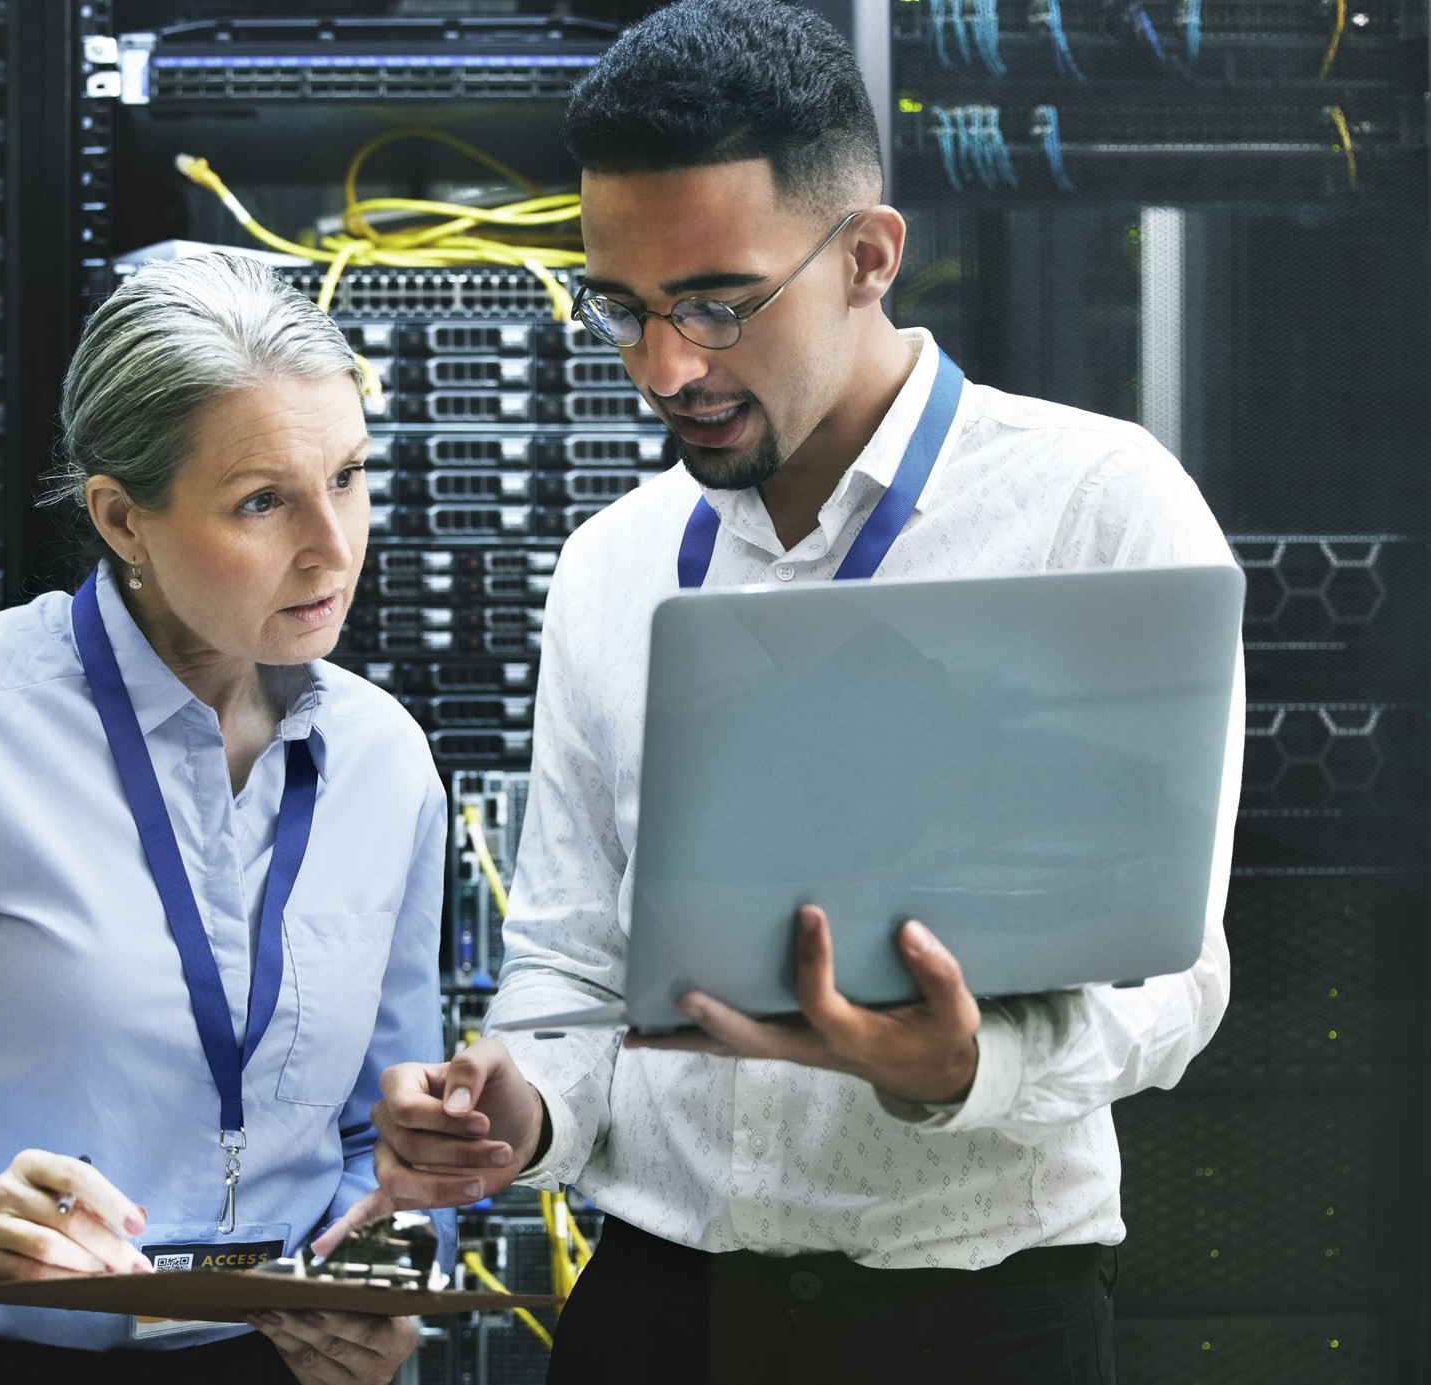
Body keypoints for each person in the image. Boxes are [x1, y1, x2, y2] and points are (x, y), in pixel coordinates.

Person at [321, 3, 1243, 1381]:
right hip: (657, 1315)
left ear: (867, 255)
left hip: (974, 1322)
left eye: (714, 304)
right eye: (622, 307)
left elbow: (1179, 982)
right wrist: (512, 1108)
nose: (664, 369)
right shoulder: (612, 564)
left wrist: (967, 1065)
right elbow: (571, 962)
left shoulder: (1098, 510)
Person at [0, 251, 446, 1385]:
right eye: (264, 500)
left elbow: (392, 1136)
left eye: (349, 476)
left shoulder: (387, 759)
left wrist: (387, 1281)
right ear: (122, 518)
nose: (334, 545)